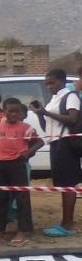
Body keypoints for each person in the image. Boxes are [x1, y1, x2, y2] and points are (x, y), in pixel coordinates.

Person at [34, 68, 82, 237]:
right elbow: (47, 127)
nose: (49, 86)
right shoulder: (53, 100)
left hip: (67, 144)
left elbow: (72, 119)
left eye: (51, 82)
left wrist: (46, 112)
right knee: (62, 184)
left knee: (68, 185)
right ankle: (65, 223)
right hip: (55, 143)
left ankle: (67, 225)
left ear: (61, 81)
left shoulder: (71, 96)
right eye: (46, 84)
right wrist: (40, 114)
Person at [0, 98, 43, 246]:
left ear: (21, 112)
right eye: (10, 111)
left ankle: (23, 231)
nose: (14, 114)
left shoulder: (25, 127)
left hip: (17, 165)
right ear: (4, 111)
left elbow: (39, 142)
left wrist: (28, 153)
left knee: (21, 199)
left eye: (17, 111)